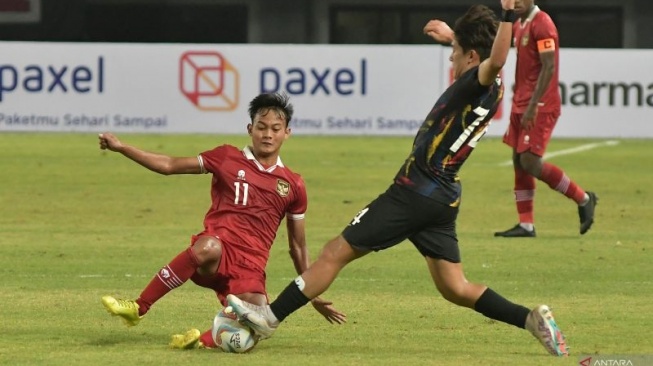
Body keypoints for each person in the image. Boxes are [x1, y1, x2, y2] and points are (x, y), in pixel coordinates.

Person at [226, 1, 568, 357]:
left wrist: (508, 15)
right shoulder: (490, 84)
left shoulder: (479, 78)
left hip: (414, 191)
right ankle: (530, 319)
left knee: (333, 253)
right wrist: (453, 35)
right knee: (455, 287)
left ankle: (270, 317)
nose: (450, 59)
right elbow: (486, 57)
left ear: (470, 56)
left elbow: (495, 58)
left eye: (454, 52)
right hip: (442, 197)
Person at [98, 92, 346, 350]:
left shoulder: (293, 184)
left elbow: (298, 246)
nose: (267, 135)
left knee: (259, 324)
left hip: (250, 267)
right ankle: (139, 307)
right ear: (250, 129)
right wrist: (122, 148)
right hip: (217, 253)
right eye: (261, 127)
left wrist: (312, 293)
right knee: (208, 246)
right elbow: (170, 165)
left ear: (287, 133)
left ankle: (201, 341)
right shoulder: (226, 157)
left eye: (275, 129)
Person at [492, 0, 597, 237]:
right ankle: (526, 224)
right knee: (519, 161)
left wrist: (532, 104)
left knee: (530, 162)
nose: (515, 2)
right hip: (522, 103)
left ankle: (584, 198)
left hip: (539, 105)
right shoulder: (519, 25)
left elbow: (548, 67)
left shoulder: (543, 24)